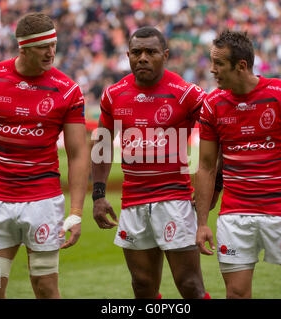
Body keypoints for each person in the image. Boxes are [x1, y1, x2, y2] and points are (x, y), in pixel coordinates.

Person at [0, 13, 90, 299]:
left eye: (53, 44)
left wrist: (75, 212)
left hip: (44, 202)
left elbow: (77, 153)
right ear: (23, 48)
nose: (51, 52)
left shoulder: (68, 90)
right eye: (43, 47)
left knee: (46, 288)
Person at [195, 30, 281, 299]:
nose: (212, 70)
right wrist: (202, 222)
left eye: (218, 64)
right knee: (237, 295)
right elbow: (206, 167)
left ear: (241, 66)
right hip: (235, 219)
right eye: (211, 62)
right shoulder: (212, 104)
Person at [92, 26, 210, 299]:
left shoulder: (186, 93)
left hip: (175, 201)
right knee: (142, 286)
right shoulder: (114, 94)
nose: (142, 57)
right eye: (136, 52)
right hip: (132, 202)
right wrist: (98, 194)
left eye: (151, 52)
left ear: (165, 55)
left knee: (190, 285)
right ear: (127, 55)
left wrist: (211, 189)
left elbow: (216, 136)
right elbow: (101, 145)